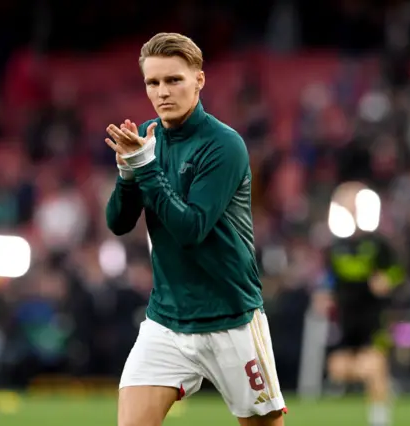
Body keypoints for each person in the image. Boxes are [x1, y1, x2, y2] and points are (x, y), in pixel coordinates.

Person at [104, 32, 286, 426]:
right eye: (153, 82)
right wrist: (127, 171)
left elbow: (191, 229)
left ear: (199, 80)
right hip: (166, 320)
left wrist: (145, 166)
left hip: (231, 317)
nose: (162, 92)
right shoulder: (148, 140)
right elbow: (118, 222)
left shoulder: (223, 145)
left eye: (174, 80)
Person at [313, 182, 404, 426]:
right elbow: (328, 278)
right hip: (346, 318)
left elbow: (397, 273)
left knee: (373, 365)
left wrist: (387, 280)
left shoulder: (378, 244)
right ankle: (384, 384)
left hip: (373, 317)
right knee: (338, 369)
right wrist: (323, 294)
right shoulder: (335, 247)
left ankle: (380, 418)